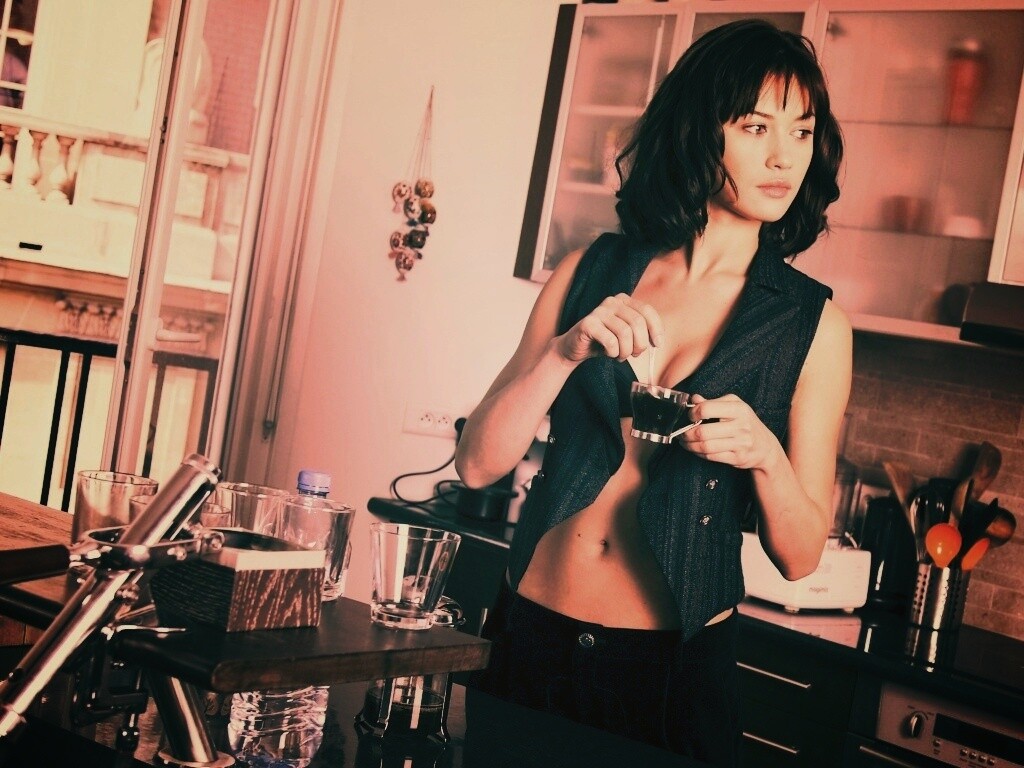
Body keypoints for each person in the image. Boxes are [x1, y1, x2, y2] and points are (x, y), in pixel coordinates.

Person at [454, 18, 851, 768]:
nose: (783, 156)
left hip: (669, 675)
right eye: (755, 127)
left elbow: (800, 557)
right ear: (701, 133)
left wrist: (764, 457)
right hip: (528, 640)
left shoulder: (814, 325)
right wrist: (565, 354)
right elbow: (477, 465)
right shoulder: (590, 270)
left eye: (801, 131)